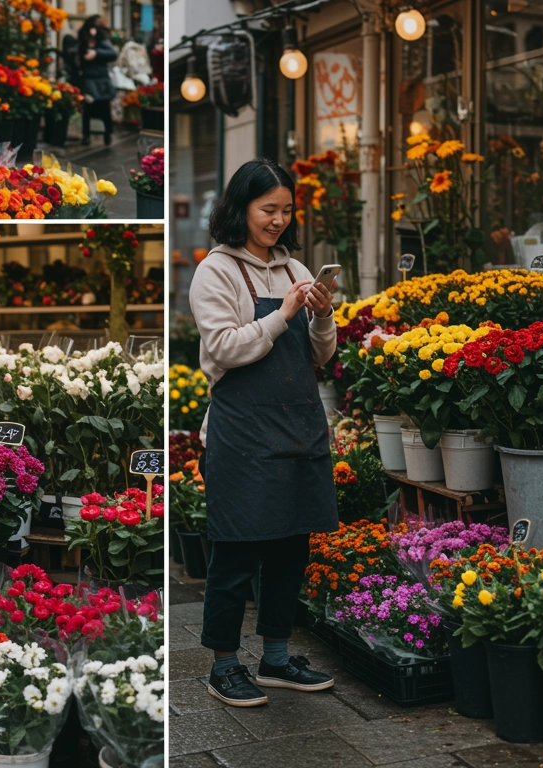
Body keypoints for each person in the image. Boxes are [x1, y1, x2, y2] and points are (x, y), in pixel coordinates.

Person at [188, 157, 339, 708]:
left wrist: (321, 315)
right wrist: (283, 314)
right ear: (241, 208)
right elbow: (224, 347)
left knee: (290, 550)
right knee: (235, 554)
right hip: (243, 435)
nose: (278, 220)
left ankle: (276, 658)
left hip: (298, 428)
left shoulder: (295, 267)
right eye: (267, 209)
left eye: (286, 211)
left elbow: (322, 355)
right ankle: (224, 665)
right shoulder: (217, 270)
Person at [76, 16, 119, 146]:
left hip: (101, 80)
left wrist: (96, 53)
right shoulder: (82, 41)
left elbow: (113, 53)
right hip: (88, 79)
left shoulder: (102, 41)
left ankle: (107, 134)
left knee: (104, 108)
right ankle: (86, 135)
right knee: (88, 109)